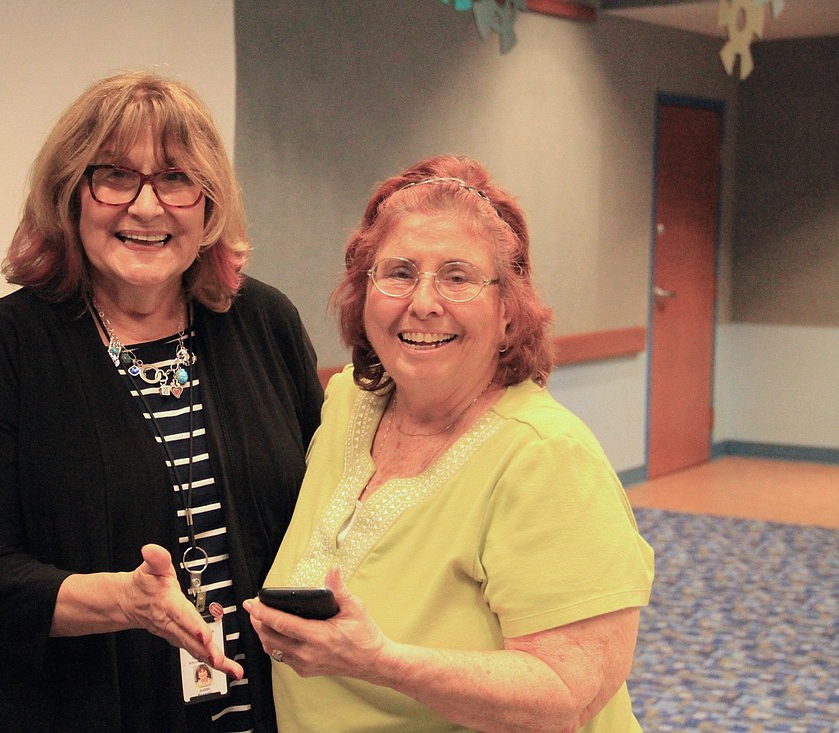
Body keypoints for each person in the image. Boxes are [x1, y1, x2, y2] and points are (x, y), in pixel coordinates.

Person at [0, 71, 323, 732]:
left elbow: (324, 505)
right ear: (69, 194)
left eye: (175, 177)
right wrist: (127, 601)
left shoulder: (264, 322)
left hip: (261, 710)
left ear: (209, 202)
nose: (146, 206)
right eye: (114, 175)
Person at [245, 155, 654, 732]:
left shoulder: (545, 455)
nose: (424, 302)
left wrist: (380, 662)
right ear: (364, 297)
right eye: (399, 273)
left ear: (509, 314)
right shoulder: (347, 405)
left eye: (458, 277)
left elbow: (567, 695)